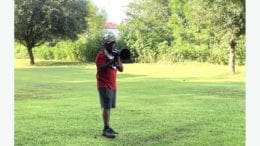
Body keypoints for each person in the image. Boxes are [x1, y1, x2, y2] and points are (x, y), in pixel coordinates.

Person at [95, 39, 123, 138]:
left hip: (112, 84)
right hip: (103, 84)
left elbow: (121, 69)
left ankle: (108, 127)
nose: (112, 46)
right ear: (105, 46)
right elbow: (100, 68)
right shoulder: (101, 55)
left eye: (113, 45)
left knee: (109, 107)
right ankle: (105, 129)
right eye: (110, 45)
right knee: (106, 106)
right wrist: (111, 61)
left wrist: (117, 59)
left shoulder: (115, 55)